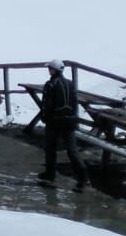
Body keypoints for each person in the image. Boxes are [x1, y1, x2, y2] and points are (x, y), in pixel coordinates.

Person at [39, 59, 90, 191]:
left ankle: (50, 174)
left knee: (50, 148)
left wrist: (45, 118)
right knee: (72, 150)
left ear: (54, 70)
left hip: (54, 121)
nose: (48, 70)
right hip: (70, 121)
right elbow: (74, 103)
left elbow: (47, 105)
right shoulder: (70, 84)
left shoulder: (50, 84)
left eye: (50, 68)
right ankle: (83, 177)